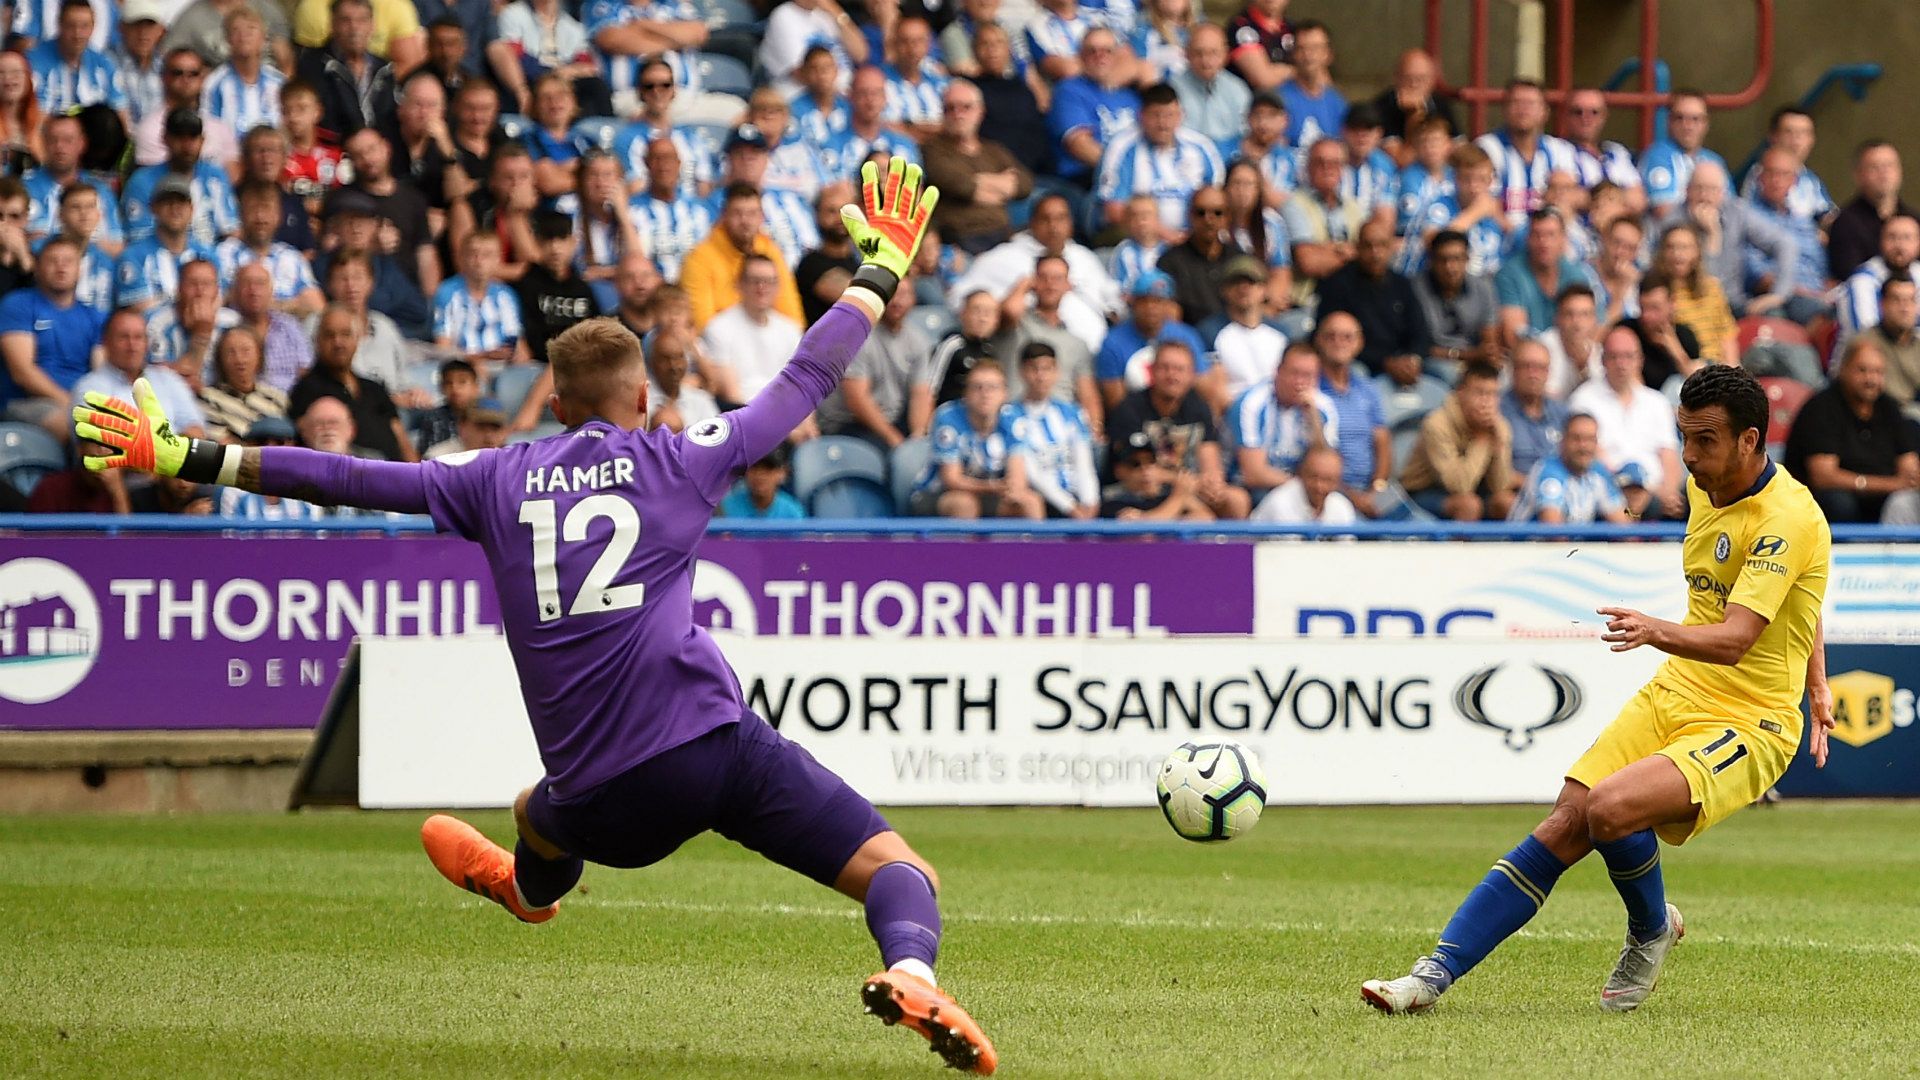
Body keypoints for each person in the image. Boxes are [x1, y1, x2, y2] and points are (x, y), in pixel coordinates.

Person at [1364, 364, 1833, 1017]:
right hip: (1681, 688)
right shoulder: (1706, 485)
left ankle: (1648, 930)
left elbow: (1736, 638)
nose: (1688, 456)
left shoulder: (1788, 518)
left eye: (1705, 441)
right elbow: (1801, 600)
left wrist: (1655, 629)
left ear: (1750, 440)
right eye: (1684, 437)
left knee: (1611, 809)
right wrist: (1818, 679)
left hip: (1752, 720)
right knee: (1569, 816)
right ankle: (1430, 977)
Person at [1104, 339, 1250, 519]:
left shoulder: (1198, 408)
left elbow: (1210, 459)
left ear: (1192, 375)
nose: (1172, 375)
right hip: (1142, 492)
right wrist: (1182, 484)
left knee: (1237, 500)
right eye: (1165, 368)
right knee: (1200, 518)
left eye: (1180, 369)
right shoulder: (1130, 409)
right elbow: (1140, 474)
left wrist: (1212, 484)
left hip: (1188, 488)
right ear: (1152, 371)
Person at [1784, 336, 1920, 525]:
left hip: (1879, 500)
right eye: (1862, 370)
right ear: (1843, 369)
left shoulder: (1889, 408)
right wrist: (1891, 484)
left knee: (1907, 502)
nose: (1871, 379)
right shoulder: (1821, 408)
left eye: (1878, 372)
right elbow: (1823, 477)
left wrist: (1903, 481)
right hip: (1822, 503)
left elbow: (1909, 470)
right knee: (1839, 502)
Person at [1569, 325, 1684, 519]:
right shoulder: (1583, 400)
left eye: (1628, 356)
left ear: (1640, 360)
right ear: (1603, 360)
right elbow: (1590, 456)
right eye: (1614, 356)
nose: (1621, 364)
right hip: (1606, 496)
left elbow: (1669, 456)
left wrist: (1668, 494)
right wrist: (1641, 490)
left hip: (1658, 499)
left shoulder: (1657, 402)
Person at [1662, 161, 1796, 324]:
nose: (1705, 196)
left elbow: (1785, 243)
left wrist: (1778, 294)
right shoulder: (1673, 222)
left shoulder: (1736, 211)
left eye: (1712, 190)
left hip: (1735, 303)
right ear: (1687, 190)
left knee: (1776, 315)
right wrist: (1713, 235)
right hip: (1692, 307)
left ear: (1722, 193)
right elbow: (1707, 288)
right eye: (1699, 188)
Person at [0, 236, 105, 435]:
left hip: (82, 404)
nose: (61, 267)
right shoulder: (17, 305)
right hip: (27, 403)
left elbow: (101, 372)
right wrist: (74, 404)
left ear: (80, 269)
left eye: (68, 261)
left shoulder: (95, 316)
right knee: (79, 427)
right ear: (37, 268)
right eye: (52, 261)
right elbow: (22, 373)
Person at [914, 358, 1041, 520]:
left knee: (1029, 501)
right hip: (938, 493)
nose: (985, 394)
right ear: (966, 393)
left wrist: (1011, 490)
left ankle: (1031, 538)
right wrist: (992, 487)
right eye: (977, 387)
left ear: (1004, 394)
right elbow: (951, 479)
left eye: (992, 387)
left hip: (990, 492)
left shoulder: (1013, 418)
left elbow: (1017, 477)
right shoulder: (948, 416)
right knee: (964, 504)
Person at [289, 305, 416, 462]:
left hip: (393, 471)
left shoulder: (374, 388)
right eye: (329, 335)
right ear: (317, 341)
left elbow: (403, 441)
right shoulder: (306, 390)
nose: (338, 343)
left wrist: (417, 472)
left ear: (357, 340)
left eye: (346, 334)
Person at [1096, 82, 1223, 238]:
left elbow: (1219, 201)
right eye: (1156, 115)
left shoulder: (1201, 146)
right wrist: (1169, 237)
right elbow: (1114, 211)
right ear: (1141, 115)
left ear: (1181, 115)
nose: (1163, 124)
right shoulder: (1122, 147)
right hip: (1141, 239)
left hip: (1196, 239)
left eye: (1169, 115)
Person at [920, 78, 1031, 253]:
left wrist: (978, 184)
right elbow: (960, 185)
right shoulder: (931, 149)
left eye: (966, 107)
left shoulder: (994, 149)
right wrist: (1001, 186)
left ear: (981, 111)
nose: (958, 114)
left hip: (1003, 236)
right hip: (961, 241)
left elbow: (1025, 185)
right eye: (950, 108)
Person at [817, 277, 928, 445]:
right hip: (847, 423)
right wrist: (894, 440)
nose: (897, 302)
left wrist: (917, 438)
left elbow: (921, 393)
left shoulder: (918, 340)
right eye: (892, 294)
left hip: (891, 418)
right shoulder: (857, 335)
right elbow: (857, 400)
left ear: (914, 300)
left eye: (904, 294)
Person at [681, 182, 806, 330]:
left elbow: (791, 313)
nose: (745, 221)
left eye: (752, 213)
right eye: (737, 213)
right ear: (724, 216)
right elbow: (702, 324)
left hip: (768, 337)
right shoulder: (699, 259)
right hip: (720, 339)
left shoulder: (770, 250)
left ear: (762, 217)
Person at [72, 307, 208, 443]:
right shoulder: (89, 388)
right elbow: (97, 446)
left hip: (175, 455)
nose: (132, 345)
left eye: (138, 337)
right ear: (106, 342)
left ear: (147, 343)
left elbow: (196, 431)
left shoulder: (168, 380)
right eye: (123, 337)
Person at [1399, 363, 1514, 520]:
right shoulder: (1436, 424)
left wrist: (1498, 442)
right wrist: (1481, 439)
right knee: (1469, 505)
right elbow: (1458, 485)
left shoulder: (1500, 426)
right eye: (1479, 393)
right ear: (1461, 393)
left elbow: (1500, 485)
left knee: (1507, 502)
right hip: (1424, 491)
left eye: (1493, 394)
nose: (1486, 402)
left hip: (1474, 489)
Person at [1316, 217, 1430, 374]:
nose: (1375, 253)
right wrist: (1386, 363)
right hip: (1359, 362)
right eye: (1368, 246)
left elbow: (1420, 332)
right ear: (1357, 248)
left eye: (1382, 245)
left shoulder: (1402, 284)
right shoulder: (1338, 284)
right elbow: (1330, 338)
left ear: (1391, 247)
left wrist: (1413, 359)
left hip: (1402, 363)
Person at [1230, 341, 1336, 502]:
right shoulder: (1252, 403)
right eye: (1294, 373)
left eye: (1307, 376)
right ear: (1278, 371)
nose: (1300, 382)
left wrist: (1313, 418)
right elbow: (1253, 474)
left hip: (1302, 490)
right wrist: (1303, 487)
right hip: (1254, 491)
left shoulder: (1323, 407)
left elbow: (1327, 466)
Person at [1093, 269, 1215, 408]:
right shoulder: (1113, 343)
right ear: (1133, 303)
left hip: (1182, 413)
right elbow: (1116, 404)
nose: (1151, 307)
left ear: (1169, 305)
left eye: (1158, 301)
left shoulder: (1186, 336)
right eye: (1143, 301)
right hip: (1135, 415)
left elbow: (1204, 389)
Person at [123, 108, 240, 248]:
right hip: (161, 256)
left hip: (212, 256)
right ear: (165, 139)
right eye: (179, 137)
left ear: (202, 140)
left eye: (193, 137)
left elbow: (231, 230)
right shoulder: (142, 181)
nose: (187, 145)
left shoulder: (215, 176)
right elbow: (139, 237)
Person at [702, 254, 808, 408]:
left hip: (788, 412)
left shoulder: (791, 330)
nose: (761, 288)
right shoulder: (718, 328)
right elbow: (732, 396)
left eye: (769, 281)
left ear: (778, 287)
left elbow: (801, 388)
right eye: (754, 281)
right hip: (742, 414)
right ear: (740, 284)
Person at [1006, 343, 1099, 518]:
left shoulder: (1072, 412)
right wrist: (1069, 507)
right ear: (1021, 372)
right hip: (1043, 501)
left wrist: (1090, 502)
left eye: (1047, 369)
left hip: (1078, 499)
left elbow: (1084, 463)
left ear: (1056, 372)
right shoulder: (1010, 415)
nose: (1040, 376)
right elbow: (1031, 472)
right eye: (1034, 369)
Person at [1314, 310, 1391, 516]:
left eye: (1347, 337)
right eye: (1331, 336)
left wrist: (1377, 488)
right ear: (1318, 340)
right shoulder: (1311, 391)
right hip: (1328, 492)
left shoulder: (1369, 389)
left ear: (1359, 342)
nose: (1339, 343)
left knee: (1419, 527)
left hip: (1371, 492)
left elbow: (1382, 443)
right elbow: (1312, 454)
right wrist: (1351, 496)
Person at [1474, 79, 1576, 229]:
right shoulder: (1486, 148)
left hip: (1549, 236)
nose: (1523, 109)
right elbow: (1481, 199)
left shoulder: (1560, 150)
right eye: (1516, 102)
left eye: (1531, 104)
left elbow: (1578, 196)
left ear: (1545, 112)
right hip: (1501, 235)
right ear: (1504, 109)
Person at [214, 180, 326, 315]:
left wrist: (265, 304)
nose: (260, 217)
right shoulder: (223, 254)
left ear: (278, 215)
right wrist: (292, 304)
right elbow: (215, 301)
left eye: (266, 209)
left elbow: (317, 306)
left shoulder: (292, 258)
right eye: (253, 209)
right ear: (241, 214)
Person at [1047, 28, 1141, 187]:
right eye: (1092, 51)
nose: (1100, 56)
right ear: (1080, 57)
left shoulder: (1130, 95)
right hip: (1086, 179)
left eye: (1107, 51)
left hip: (1132, 179)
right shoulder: (1068, 90)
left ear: (1117, 56)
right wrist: (1124, 173)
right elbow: (1080, 146)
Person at [294, 0, 396, 138]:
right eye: (345, 20)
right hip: (332, 147)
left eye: (362, 20)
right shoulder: (312, 66)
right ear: (332, 25)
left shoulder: (385, 69)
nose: (354, 28)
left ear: (372, 26)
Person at [1283, 137, 1367, 305]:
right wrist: (1349, 250)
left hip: (1351, 300)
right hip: (1308, 302)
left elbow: (1367, 254)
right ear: (1308, 167)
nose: (1327, 169)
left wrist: (1323, 249)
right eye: (1320, 162)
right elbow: (1309, 263)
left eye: (1334, 163)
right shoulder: (1293, 205)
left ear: (1342, 169)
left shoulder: (1354, 208)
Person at [1507, 412, 1630, 524]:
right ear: (1563, 441)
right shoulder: (1548, 470)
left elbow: (1623, 526)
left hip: (1571, 541)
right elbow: (1552, 530)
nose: (1583, 446)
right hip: (1527, 541)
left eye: (1590, 439)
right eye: (1576, 438)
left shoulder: (1598, 471)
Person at [22, 113, 122, 246]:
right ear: (44, 143)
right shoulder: (23, 188)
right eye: (53, 140)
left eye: (67, 140)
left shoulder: (101, 190)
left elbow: (117, 246)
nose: (59, 146)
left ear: (82, 144)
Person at [1497, 209, 1591, 347]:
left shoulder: (1576, 275)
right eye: (1537, 235)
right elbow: (1514, 336)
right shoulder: (1509, 274)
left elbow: (1591, 328)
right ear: (1528, 239)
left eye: (1551, 235)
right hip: (1527, 355)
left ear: (1563, 239)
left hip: (1568, 353)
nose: (1544, 243)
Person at [436, 232, 528, 373]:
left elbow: (520, 346)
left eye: (487, 255)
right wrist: (480, 358)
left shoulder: (506, 295)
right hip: (462, 368)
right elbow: (442, 348)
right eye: (473, 254)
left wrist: (518, 357)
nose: (479, 261)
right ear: (460, 258)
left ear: (498, 259)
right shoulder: (447, 292)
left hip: (505, 368)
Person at [1154, 186, 1246, 328]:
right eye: (1200, 213)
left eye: (1217, 213)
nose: (1208, 219)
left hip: (1234, 332)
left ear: (1227, 217)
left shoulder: (1239, 260)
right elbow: (1168, 314)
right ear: (1190, 215)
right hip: (1190, 335)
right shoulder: (1170, 261)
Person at [1413, 230, 1502, 374]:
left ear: (1467, 259)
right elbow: (1418, 346)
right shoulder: (1415, 290)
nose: (1450, 267)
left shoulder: (1483, 288)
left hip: (1475, 358)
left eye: (1457, 259)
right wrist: (1465, 355)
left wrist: (1487, 356)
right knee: (1449, 373)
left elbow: (1489, 340)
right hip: (1434, 360)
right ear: (1432, 260)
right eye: (1443, 260)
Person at [1828, 140, 1917, 283]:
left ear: (1900, 171)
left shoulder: (1914, 220)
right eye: (1874, 167)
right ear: (1858, 175)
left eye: (1889, 165)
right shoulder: (1846, 223)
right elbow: (1849, 276)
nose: (1884, 173)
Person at [146, 256, 241, 384]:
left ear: (217, 290)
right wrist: (201, 335)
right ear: (179, 288)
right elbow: (161, 381)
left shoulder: (232, 323)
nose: (200, 292)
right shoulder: (156, 323)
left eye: (207, 284)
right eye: (192, 284)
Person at [1204, 256, 1287, 400]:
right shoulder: (1209, 332)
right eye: (1235, 282)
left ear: (1263, 289)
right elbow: (1212, 389)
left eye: (1251, 282)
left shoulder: (1282, 334)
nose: (1243, 288)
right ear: (1224, 290)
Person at [26, 0, 127, 117]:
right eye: (71, 26)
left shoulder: (104, 64)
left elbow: (121, 113)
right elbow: (32, 116)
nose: (77, 34)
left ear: (93, 27)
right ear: (59, 24)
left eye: (84, 26)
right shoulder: (33, 62)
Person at [230, 262, 318, 394]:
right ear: (235, 291)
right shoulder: (227, 327)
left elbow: (306, 369)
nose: (253, 291)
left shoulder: (290, 327)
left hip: (291, 399)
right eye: (246, 283)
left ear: (271, 291)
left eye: (260, 283)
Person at [1836, 215, 1920, 353]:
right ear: (1881, 241)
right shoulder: (1862, 281)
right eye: (1892, 237)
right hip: (1867, 360)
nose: (1899, 245)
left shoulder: (1918, 274)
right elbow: (1867, 335)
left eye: (1907, 238)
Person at [1639, 89, 1731, 213]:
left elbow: (1732, 206)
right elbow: (1663, 212)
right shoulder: (1657, 156)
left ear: (1706, 124)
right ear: (1669, 122)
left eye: (1695, 119)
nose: (1688, 126)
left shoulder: (1714, 161)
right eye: (1680, 118)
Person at [199, 327, 290, 444]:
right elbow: (220, 442)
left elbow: (289, 439)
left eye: (246, 351)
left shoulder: (277, 397)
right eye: (231, 352)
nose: (239, 360)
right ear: (220, 359)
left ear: (259, 355)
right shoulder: (208, 398)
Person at [202, 7, 284, 135]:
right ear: (228, 39)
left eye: (251, 29)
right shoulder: (215, 83)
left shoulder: (279, 82)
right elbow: (208, 129)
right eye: (236, 30)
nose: (244, 36)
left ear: (264, 38)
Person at [1100, 429, 1214, 520]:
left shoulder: (1166, 495)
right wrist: (1177, 499)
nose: (1145, 469)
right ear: (1118, 471)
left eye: (1150, 462)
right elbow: (1139, 530)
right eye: (1135, 464)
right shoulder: (1111, 501)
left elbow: (1206, 518)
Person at [1561, 88, 1643, 208]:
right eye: (1578, 112)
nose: (1585, 118)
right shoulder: (1557, 150)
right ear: (1565, 115)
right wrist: (1618, 197)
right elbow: (1563, 198)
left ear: (1604, 116)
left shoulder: (1616, 151)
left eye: (1594, 112)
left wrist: (1591, 197)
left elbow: (1638, 200)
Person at [795, 183, 862, 327]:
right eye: (831, 211)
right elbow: (856, 298)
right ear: (817, 215)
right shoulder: (811, 264)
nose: (840, 218)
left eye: (846, 210)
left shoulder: (861, 261)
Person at [1171, 23, 1249, 146]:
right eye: (1198, 53)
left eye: (1213, 53)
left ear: (1225, 54)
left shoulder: (1238, 89)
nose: (1206, 61)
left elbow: (1246, 134)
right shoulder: (1172, 89)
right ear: (1186, 54)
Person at [1501, 339, 1570, 478]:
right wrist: (1535, 485)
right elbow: (1495, 473)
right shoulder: (1497, 412)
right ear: (1513, 370)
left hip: (1560, 486)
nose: (1533, 375)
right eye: (1526, 366)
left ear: (1548, 373)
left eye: (1540, 368)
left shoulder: (1562, 414)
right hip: (1518, 489)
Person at [41, 183, 113, 312]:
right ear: (60, 215)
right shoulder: (43, 253)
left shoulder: (106, 261)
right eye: (75, 207)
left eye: (90, 206)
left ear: (99, 215)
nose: (84, 214)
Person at [1276, 19, 1342, 145]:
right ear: (1293, 54)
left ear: (1328, 54)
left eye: (1315, 48)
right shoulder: (1279, 100)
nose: (1308, 56)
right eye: (1301, 48)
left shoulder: (1337, 103)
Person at [1864, 277, 1920, 407]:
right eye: (1897, 300)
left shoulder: (1918, 344)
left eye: (1910, 300)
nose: (1904, 308)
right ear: (1882, 304)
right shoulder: (1865, 345)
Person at [1538, 283, 1601, 399]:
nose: (1577, 323)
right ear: (1557, 318)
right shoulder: (1542, 347)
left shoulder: (1598, 352)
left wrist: (1583, 368)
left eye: (1585, 315)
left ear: (1594, 320)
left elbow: (1600, 399)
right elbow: (1547, 400)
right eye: (1569, 314)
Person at [411, 358, 483, 452]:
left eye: (462, 382)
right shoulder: (434, 418)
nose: (455, 388)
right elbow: (429, 455)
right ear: (441, 387)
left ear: (476, 387)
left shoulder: (487, 415)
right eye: (448, 383)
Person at [718, 445, 808, 519]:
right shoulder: (726, 507)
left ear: (782, 473)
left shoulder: (792, 512)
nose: (760, 475)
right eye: (754, 467)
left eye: (769, 468)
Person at [1224, 0, 1293, 94]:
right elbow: (1264, 80)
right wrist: (1299, 70)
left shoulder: (1292, 29)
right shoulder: (1241, 26)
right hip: (1252, 100)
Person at [424, 396, 511, 459]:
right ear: (462, 427)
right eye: (481, 428)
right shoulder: (438, 460)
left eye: (495, 429)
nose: (489, 436)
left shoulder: (512, 462)